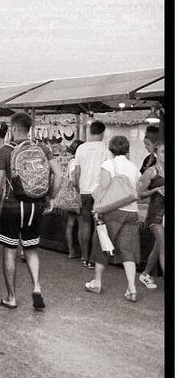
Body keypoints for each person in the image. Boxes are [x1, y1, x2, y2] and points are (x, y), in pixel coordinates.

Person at [0, 111, 60, 311]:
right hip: (35, 205)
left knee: (10, 252)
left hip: (12, 206)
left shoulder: (4, 151)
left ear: (13, 128)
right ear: (29, 129)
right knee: (31, 249)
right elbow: (59, 174)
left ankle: (11, 297)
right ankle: (37, 287)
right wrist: (50, 198)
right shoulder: (43, 149)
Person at [84, 134, 142, 301]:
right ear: (127, 149)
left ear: (110, 148)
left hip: (113, 210)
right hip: (132, 211)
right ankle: (131, 288)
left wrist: (97, 208)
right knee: (127, 249)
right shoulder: (133, 167)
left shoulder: (108, 165)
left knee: (103, 243)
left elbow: (102, 189)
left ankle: (97, 282)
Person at [73, 121, 108, 267]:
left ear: (90, 132)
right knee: (98, 224)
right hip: (100, 191)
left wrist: (77, 187)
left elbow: (76, 171)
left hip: (84, 190)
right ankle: (94, 259)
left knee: (84, 223)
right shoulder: (106, 148)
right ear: (102, 132)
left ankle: (84, 257)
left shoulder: (81, 148)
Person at [138, 141, 165, 289]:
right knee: (164, 247)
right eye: (162, 152)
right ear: (155, 153)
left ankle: (145, 274)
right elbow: (140, 194)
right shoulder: (151, 171)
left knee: (158, 247)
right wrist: (155, 190)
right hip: (156, 215)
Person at [52, 138, 82, 259]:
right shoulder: (76, 162)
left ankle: (71, 251)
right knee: (81, 224)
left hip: (69, 197)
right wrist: (80, 189)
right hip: (76, 195)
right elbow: (75, 180)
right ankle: (82, 252)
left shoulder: (70, 161)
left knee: (70, 224)